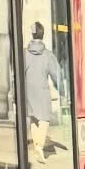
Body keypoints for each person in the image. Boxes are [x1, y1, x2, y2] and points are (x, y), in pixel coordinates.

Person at [23, 21, 64, 160]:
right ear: (43, 34)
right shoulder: (47, 55)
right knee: (44, 119)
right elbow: (56, 75)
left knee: (34, 119)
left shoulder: (24, 53)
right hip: (41, 89)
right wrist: (63, 91)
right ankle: (39, 147)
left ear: (32, 34)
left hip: (28, 90)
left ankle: (36, 147)